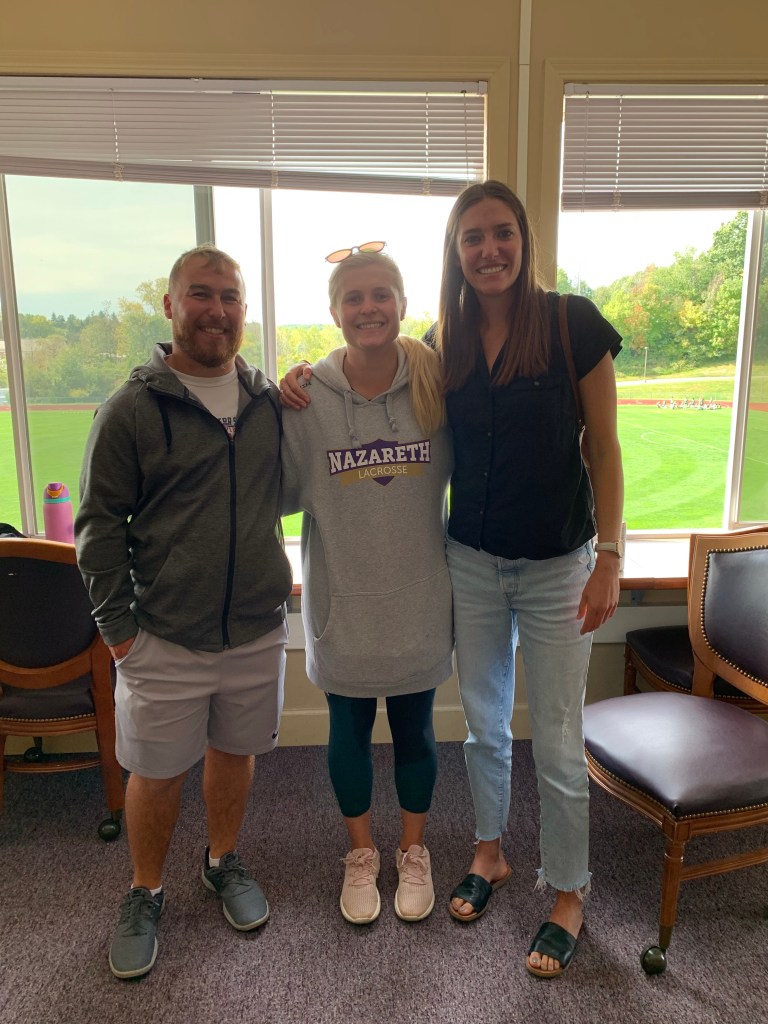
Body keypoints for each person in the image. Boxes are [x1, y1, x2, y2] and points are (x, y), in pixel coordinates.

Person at [280, 181, 624, 977]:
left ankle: (567, 891)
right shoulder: (446, 344)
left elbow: (604, 448)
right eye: (473, 237)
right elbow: (362, 389)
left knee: (558, 739)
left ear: (523, 239)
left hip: (557, 566)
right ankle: (489, 854)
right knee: (483, 727)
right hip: (470, 562)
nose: (489, 250)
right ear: (455, 252)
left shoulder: (571, 324)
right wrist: (298, 378)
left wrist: (610, 555)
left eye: (502, 233)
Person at [75, 244, 293, 979]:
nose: (216, 310)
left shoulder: (267, 403)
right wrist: (120, 635)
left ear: (243, 310)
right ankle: (145, 890)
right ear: (170, 305)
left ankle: (222, 861)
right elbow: (97, 529)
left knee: (235, 754)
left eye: (230, 297)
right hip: (162, 637)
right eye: (201, 294)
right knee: (156, 772)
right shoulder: (131, 409)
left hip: (255, 629)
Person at [280, 248, 453, 925]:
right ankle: (360, 854)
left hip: (419, 601)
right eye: (353, 297)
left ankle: (413, 850)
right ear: (334, 312)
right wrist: (281, 390)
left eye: (382, 294)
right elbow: (277, 492)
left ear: (403, 304)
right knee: (347, 731)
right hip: (342, 606)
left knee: (416, 731)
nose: (369, 307)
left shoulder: (438, 385)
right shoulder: (306, 401)